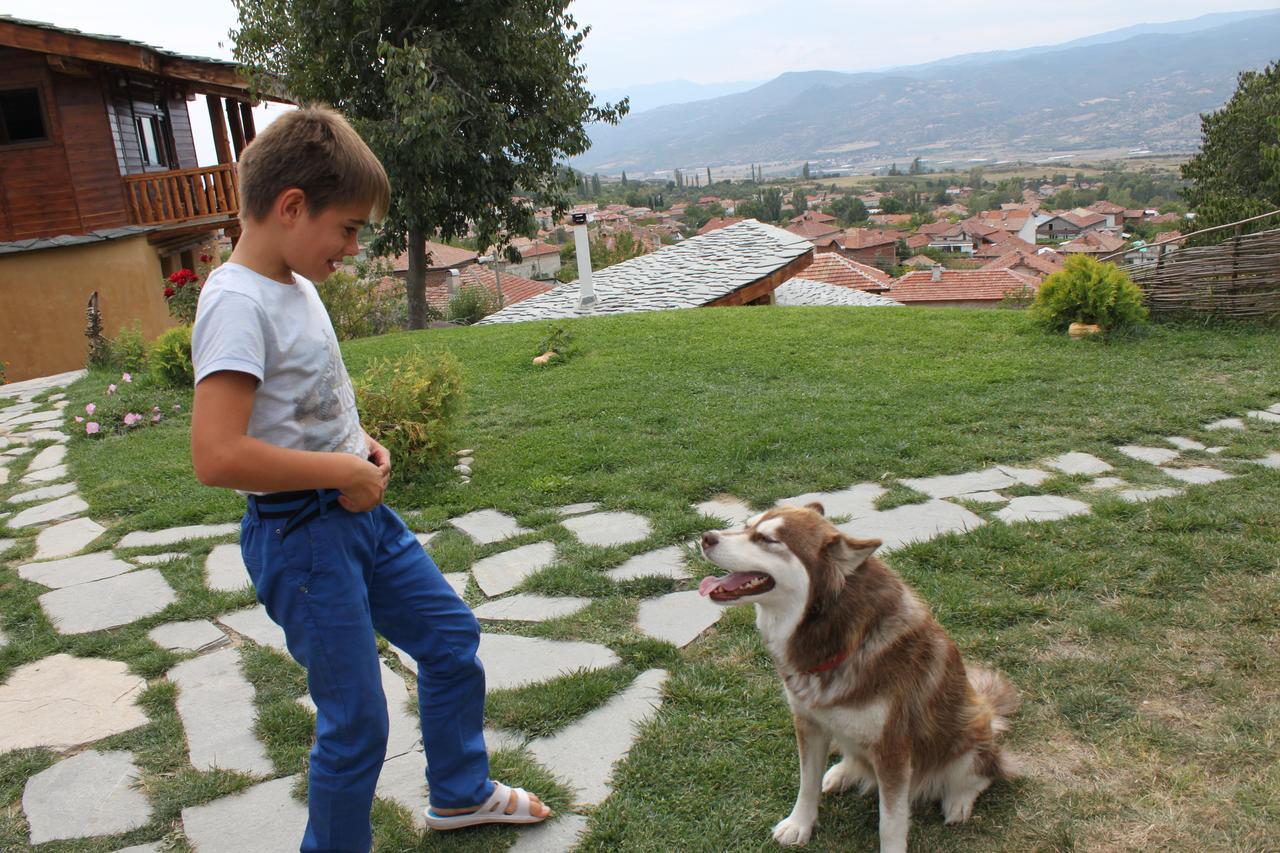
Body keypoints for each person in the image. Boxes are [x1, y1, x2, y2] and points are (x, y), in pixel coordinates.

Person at [190, 105, 549, 852]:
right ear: (292, 207)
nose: (354, 248)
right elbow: (217, 454)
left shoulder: (294, 282)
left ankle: (459, 794)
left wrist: (360, 443)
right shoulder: (234, 301)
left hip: (356, 514)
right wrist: (339, 469)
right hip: (302, 536)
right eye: (348, 229)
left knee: (450, 637)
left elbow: (297, 407)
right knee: (356, 720)